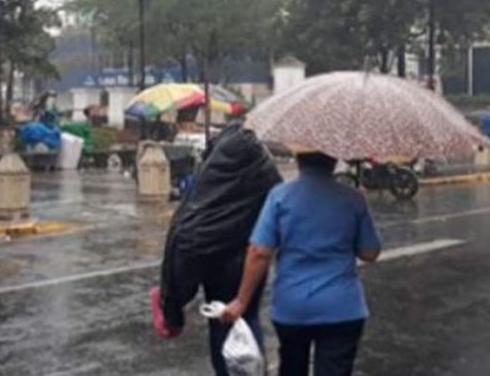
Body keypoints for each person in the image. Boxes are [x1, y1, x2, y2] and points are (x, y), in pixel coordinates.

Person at [223, 152, 381, 376]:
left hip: (292, 307)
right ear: (334, 161)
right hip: (342, 307)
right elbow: (370, 253)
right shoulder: (353, 198)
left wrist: (241, 301)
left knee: (292, 367)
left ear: (298, 160)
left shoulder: (280, 196)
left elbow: (259, 253)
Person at [157, 125, 282, 375]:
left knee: (221, 324)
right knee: (248, 318)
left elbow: (185, 235)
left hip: (217, 266)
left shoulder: (209, 179)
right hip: (250, 262)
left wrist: (173, 303)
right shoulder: (265, 172)